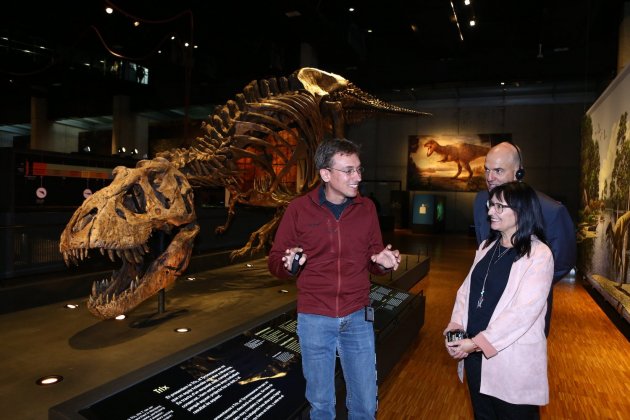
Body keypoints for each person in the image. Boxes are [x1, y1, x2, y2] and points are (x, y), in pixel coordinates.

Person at [268, 138, 401, 419]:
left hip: (357, 315)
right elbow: (275, 261)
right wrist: (289, 264)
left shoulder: (366, 209)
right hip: (314, 317)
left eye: (359, 169)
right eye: (348, 171)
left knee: (365, 404)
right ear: (325, 174)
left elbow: (374, 256)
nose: (358, 178)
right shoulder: (298, 210)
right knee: (321, 405)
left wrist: (383, 263)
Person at [446, 181, 554, 419]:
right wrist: (455, 332)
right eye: (490, 205)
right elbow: (466, 294)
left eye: (499, 207)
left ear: (521, 212)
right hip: (476, 359)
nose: (490, 212)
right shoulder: (487, 246)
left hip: (510, 362)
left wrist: (475, 343)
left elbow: (522, 313)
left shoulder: (539, 255)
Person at [473, 141, 576, 336]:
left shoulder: (551, 211)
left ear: (518, 173)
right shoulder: (480, 202)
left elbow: (563, 261)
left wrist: (526, 284)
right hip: (483, 305)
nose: (490, 178)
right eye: (486, 170)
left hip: (525, 314)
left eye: (498, 171)